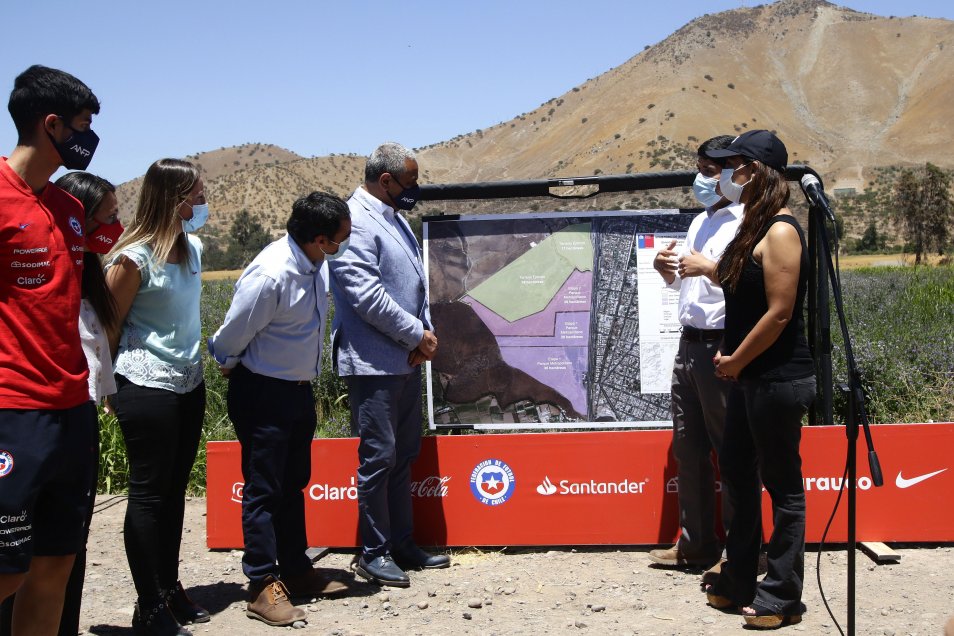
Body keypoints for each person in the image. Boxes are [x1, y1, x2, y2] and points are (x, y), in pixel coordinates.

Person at [209, 192, 352, 626]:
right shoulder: (272, 274)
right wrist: (231, 364)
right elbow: (231, 334)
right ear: (320, 238)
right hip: (263, 392)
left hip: (296, 391)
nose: (343, 247)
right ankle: (261, 584)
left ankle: (294, 569)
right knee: (264, 488)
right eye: (339, 240)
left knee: (293, 482)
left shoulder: (314, 265)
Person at [0, 65, 101, 636]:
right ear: (52, 124)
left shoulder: (69, 208)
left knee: (54, 567)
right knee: (5, 571)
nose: (89, 139)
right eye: (83, 126)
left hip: (72, 409)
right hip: (13, 412)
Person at [701, 130, 816, 629]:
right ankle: (740, 577)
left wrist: (736, 361)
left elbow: (779, 314)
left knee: (783, 486)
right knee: (738, 475)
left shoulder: (783, 231)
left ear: (758, 171)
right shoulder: (754, 225)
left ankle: (782, 595)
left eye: (735, 165)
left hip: (776, 377)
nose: (727, 175)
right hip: (747, 376)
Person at [328, 142, 449, 588]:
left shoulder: (393, 216)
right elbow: (365, 296)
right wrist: (417, 335)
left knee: (403, 457)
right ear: (386, 181)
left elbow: (415, 284)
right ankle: (373, 552)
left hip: (406, 357)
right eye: (410, 182)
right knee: (378, 458)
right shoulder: (355, 221)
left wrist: (425, 335)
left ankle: (401, 542)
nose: (414, 189)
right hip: (373, 362)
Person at [105, 159, 209, 636]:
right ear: (174, 199)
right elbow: (109, 327)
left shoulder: (194, 250)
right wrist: (107, 387)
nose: (203, 204)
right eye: (197, 196)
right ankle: (148, 607)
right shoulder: (133, 258)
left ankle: (168, 588)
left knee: (174, 493)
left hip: (189, 384)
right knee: (148, 495)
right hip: (144, 386)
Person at [649, 135, 739, 577]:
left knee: (733, 451)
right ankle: (696, 543)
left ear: (730, 172)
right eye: (699, 169)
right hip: (690, 342)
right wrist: (666, 272)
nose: (699, 179)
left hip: (724, 343)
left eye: (708, 170)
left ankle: (742, 552)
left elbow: (757, 284)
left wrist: (712, 269)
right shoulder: (701, 221)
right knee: (688, 446)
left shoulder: (749, 221)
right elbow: (689, 283)